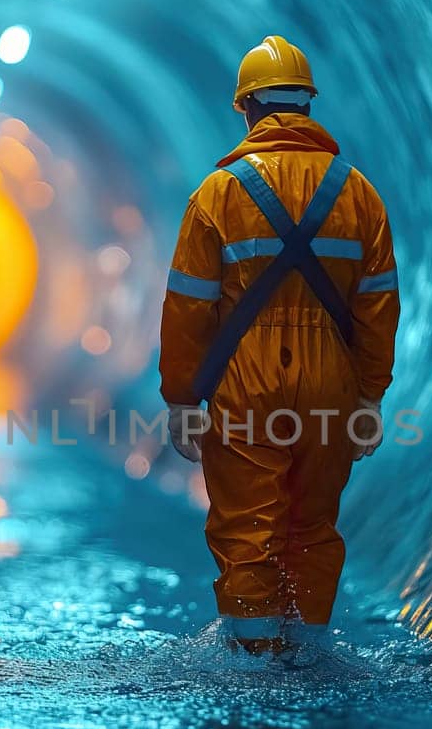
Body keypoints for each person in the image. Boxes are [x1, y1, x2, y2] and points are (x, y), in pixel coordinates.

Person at [158, 35, 400, 657]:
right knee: (313, 529)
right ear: (308, 107)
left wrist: (185, 400)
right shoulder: (360, 194)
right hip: (329, 385)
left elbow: (188, 309)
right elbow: (378, 310)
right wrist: (369, 397)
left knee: (248, 531)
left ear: (248, 110)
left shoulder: (217, 196)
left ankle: (253, 668)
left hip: (245, 386)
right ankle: (308, 659)